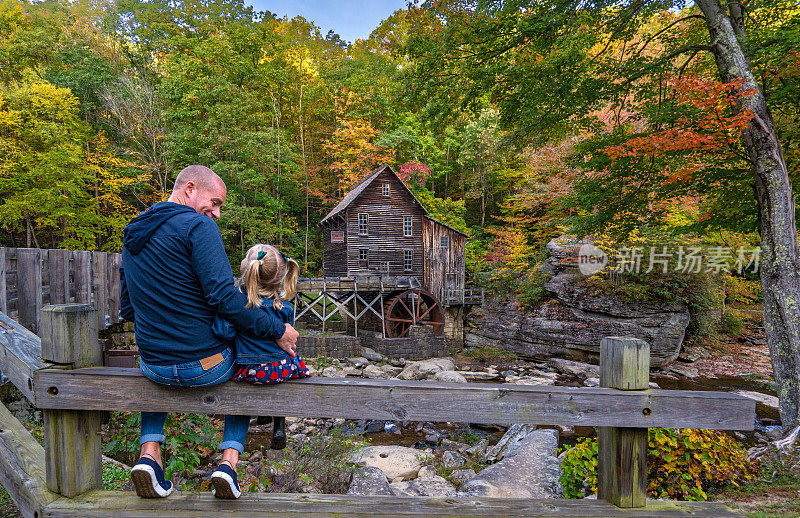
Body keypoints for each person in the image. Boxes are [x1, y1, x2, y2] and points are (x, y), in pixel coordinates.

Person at [120, 165, 299, 500]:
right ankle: (228, 464)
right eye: (214, 202)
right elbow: (223, 297)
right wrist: (277, 330)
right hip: (205, 366)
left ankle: (149, 454)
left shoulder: (135, 230)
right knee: (252, 364)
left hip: (152, 365)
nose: (216, 213)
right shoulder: (198, 227)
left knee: (156, 361)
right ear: (190, 188)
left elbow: (127, 306)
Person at [212, 244, 311, 457]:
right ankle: (278, 427)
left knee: (242, 371)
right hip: (281, 370)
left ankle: (254, 423)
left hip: (250, 370)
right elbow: (290, 339)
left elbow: (224, 332)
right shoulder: (285, 307)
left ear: (248, 271)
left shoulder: (239, 305)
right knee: (286, 360)